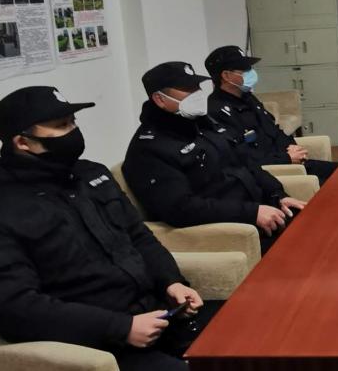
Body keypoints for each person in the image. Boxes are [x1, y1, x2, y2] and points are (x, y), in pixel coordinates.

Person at [0, 86, 214, 371]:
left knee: (245, 338)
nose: (73, 131)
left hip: (160, 315)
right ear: (23, 142)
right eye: (61, 126)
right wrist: (120, 328)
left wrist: (171, 281)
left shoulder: (90, 175)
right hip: (102, 346)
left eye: (73, 122)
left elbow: (138, 236)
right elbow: (13, 307)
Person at [122, 62, 304, 253]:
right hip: (233, 232)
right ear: (160, 99)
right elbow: (181, 209)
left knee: (318, 226)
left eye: (197, 86)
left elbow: (245, 163)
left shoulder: (203, 123)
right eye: (187, 89)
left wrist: (277, 195)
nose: (197, 94)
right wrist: (252, 213)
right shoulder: (149, 149)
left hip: (261, 211)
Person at [204, 45, 338, 185]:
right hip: (272, 173)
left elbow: (273, 130)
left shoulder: (248, 98)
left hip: (289, 162)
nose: (251, 72)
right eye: (245, 69)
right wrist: (286, 158)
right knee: (337, 186)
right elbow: (243, 156)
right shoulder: (216, 111)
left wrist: (292, 146)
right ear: (226, 76)